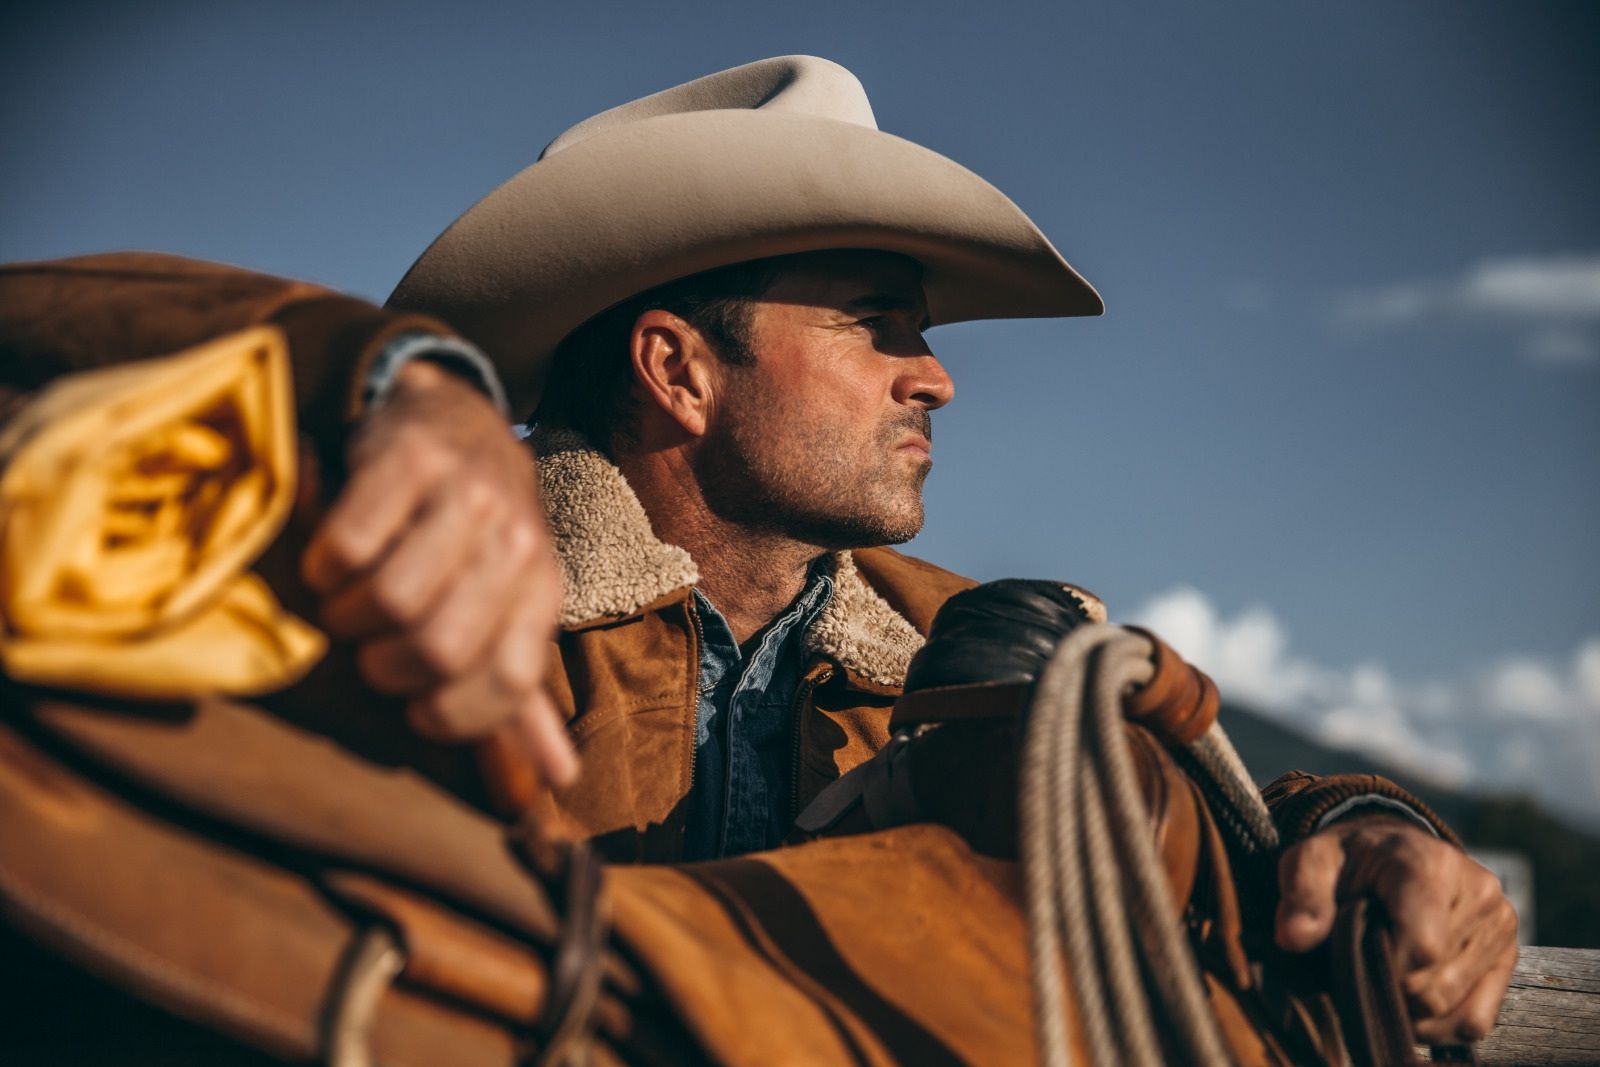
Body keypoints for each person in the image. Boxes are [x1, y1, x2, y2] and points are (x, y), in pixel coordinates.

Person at [289, 57, 1516, 1043]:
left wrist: (1363, 820)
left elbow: (1207, 805)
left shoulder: (970, 642)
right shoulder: (409, 601)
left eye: (915, 333)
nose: (931, 376)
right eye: (871, 325)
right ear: (678, 370)